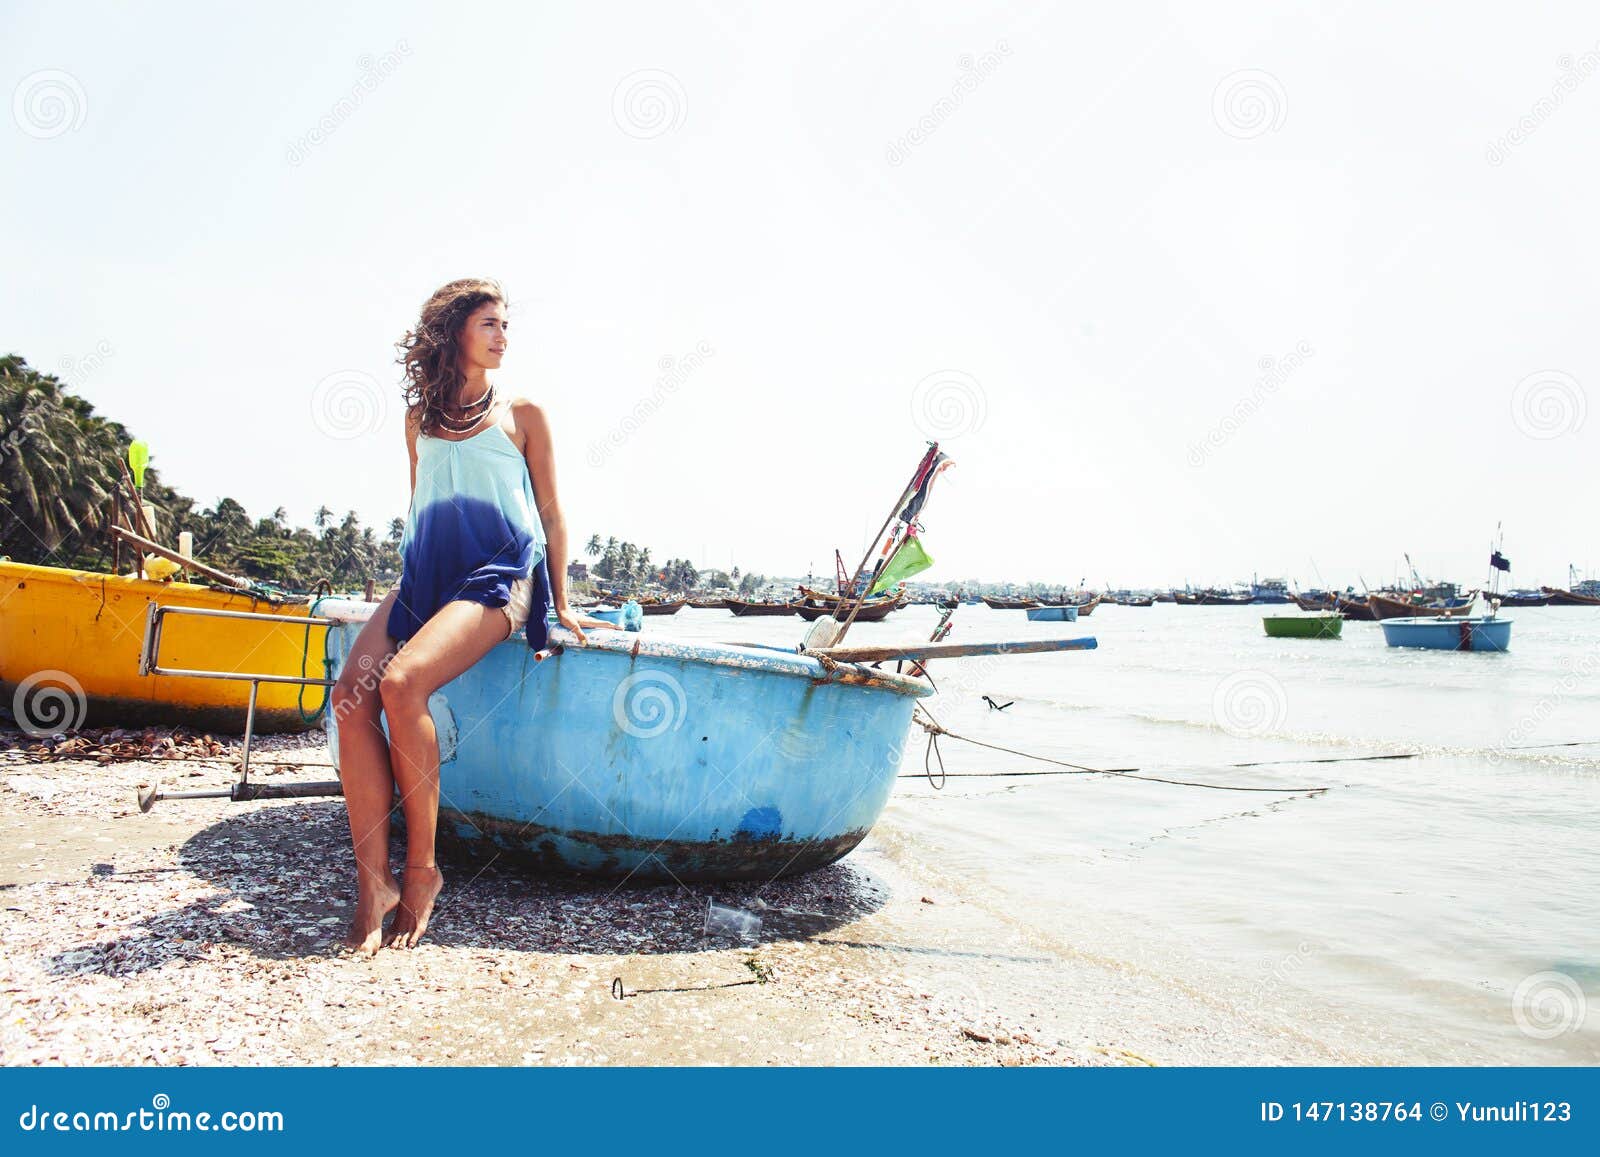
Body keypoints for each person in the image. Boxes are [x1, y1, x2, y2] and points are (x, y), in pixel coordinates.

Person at [329, 278, 591, 954]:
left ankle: (422, 873)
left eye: (506, 326)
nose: (503, 337)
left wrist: (561, 603)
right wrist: (405, 590)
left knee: (401, 683)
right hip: (429, 575)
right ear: (456, 333)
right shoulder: (419, 420)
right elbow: (421, 505)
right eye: (490, 324)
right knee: (348, 697)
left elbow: (554, 515)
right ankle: (372, 881)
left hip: (501, 575)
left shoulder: (523, 414)